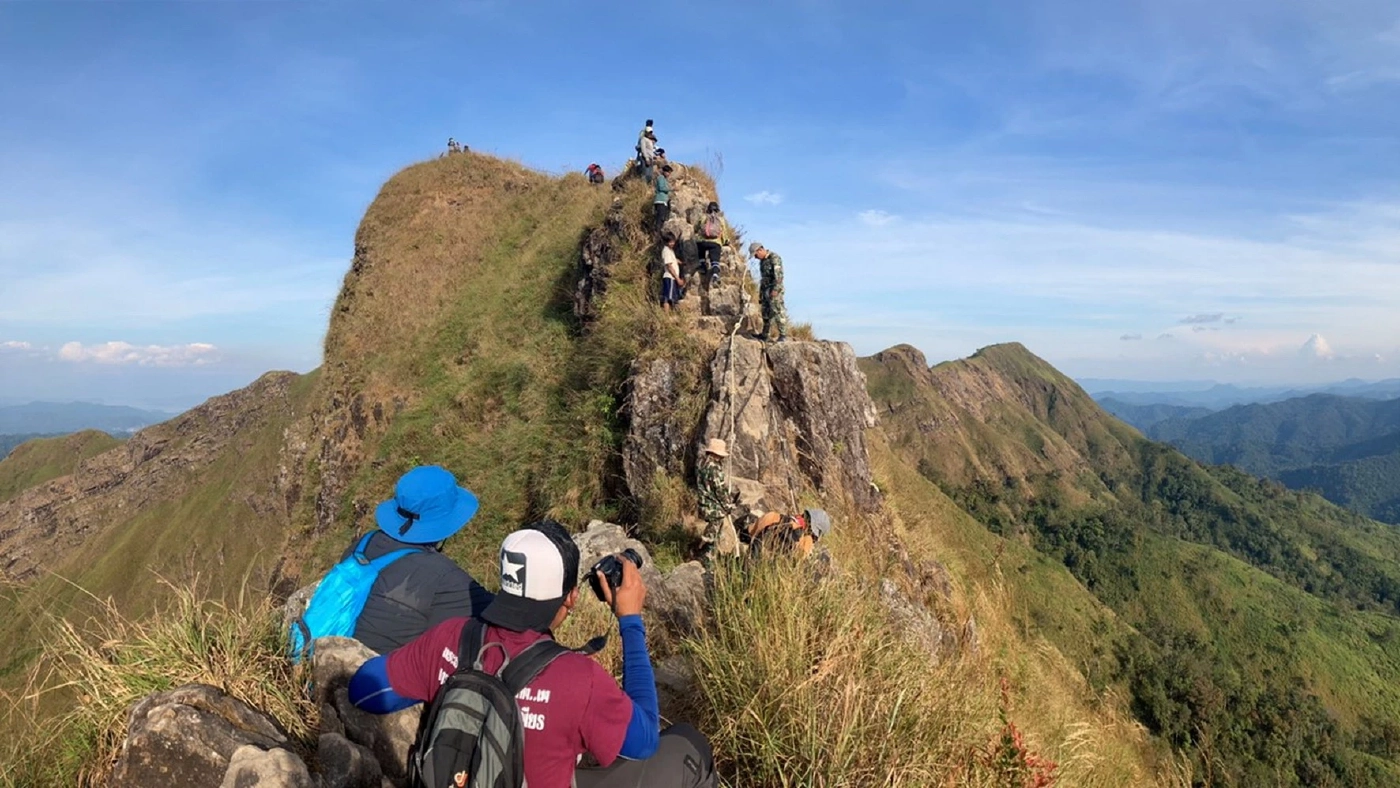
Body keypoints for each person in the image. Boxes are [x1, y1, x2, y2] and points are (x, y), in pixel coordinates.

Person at [348, 520, 716, 788]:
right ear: (570, 598)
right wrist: (631, 621)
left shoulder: (448, 638)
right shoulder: (577, 678)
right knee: (687, 745)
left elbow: (363, 690)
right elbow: (644, 741)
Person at [335, 465, 494, 654]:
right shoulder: (445, 578)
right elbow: (504, 617)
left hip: (327, 656)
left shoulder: (364, 543)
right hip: (375, 678)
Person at [696, 438, 736, 557]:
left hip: (703, 502)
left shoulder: (701, 463)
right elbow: (719, 490)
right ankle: (706, 555)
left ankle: (705, 550)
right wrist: (728, 505)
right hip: (712, 506)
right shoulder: (714, 468)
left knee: (714, 528)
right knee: (713, 531)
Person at [748, 242, 787, 343]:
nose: (756, 258)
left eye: (756, 255)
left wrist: (775, 290)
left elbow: (779, 276)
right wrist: (761, 294)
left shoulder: (774, 258)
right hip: (765, 290)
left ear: (760, 250)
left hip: (774, 290)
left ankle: (783, 335)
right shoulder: (762, 261)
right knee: (765, 312)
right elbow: (763, 279)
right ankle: (765, 335)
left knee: (777, 310)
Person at [694, 202, 729, 287]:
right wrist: (725, 241)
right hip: (715, 243)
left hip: (703, 242)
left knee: (700, 248)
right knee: (715, 261)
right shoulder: (721, 220)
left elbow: (696, 228)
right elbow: (724, 232)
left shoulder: (703, 217)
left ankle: (702, 265)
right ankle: (715, 275)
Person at [660, 232, 682, 313]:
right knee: (668, 297)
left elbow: (673, 260)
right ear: (666, 242)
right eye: (670, 242)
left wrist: (680, 262)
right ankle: (666, 314)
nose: (672, 243)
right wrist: (678, 278)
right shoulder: (666, 251)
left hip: (671, 277)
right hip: (670, 277)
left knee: (670, 296)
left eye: (673, 241)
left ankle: (668, 314)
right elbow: (669, 266)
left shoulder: (670, 250)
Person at [654, 165, 673, 230]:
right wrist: (671, 189)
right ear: (664, 172)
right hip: (660, 201)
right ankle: (657, 235)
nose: (669, 174)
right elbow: (661, 188)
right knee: (659, 220)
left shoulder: (664, 179)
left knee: (662, 219)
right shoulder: (661, 178)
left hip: (664, 202)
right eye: (668, 172)